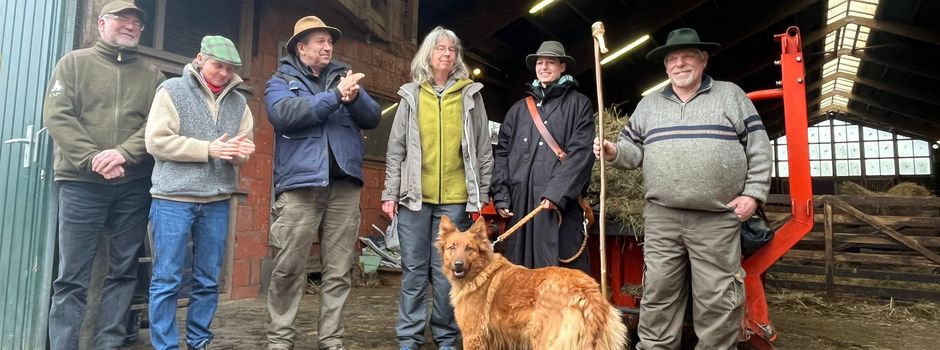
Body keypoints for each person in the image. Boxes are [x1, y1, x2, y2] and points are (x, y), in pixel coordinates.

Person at [594, 28, 772, 349]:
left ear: (703, 60)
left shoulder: (730, 95)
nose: (679, 64)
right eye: (672, 59)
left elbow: (759, 147)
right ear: (665, 67)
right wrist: (614, 152)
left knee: (717, 296)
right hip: (663, 216)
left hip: (717, 216)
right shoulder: (649, 105)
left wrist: (753, 194)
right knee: (658, 292)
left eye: (687, 56)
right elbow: (632, 151)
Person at [43, 1, 165, 348]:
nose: (130, 26)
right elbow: (57, 115)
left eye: (136, 23)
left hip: (132, 184)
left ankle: (107, 344)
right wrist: (92, 157)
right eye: (122, 19)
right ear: (101, 24)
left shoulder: (152, 75)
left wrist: (123, 154)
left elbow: (155, 125)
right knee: (71, 277)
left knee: (123, 271)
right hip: (81, 184)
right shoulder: (73, 64)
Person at [264, 15, 380, 350]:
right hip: (300, 188)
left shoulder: (345, 78)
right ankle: (280, 340)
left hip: (343, 186)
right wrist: (334, 97)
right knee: (287, 268)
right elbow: (284, 114)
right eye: (320, 41)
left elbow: (372, 118)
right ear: (301, 47)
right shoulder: (280, 80)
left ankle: (331, 340)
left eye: (330, 42)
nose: (327, 46)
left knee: (339, 271)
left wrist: (354, 96)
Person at [381, 26, 493, 350]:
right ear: (428, 55)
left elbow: (484, 151)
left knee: (450, 273)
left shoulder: (471, 97)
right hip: (415, 198)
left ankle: (446, 338)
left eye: (452, 49)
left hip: (456, 198)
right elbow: (395, 149)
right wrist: (390, 192)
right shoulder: (411, 95)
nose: (446, 54)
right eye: (440, 48)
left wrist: (479, 196)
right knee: (414, 272)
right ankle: (409, 338)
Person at [144, 35, 255, 350]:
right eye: (217, 65)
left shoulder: (239, 102)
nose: (222, 72)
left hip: (217, 199)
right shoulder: (172, 91)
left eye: (229, 68)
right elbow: (156, 141)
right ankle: (165, 345)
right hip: (172, 198)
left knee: (208, 279)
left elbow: (244, 149)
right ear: (200, 59)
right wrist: (209, 149)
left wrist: (238, 152)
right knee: (167, 279)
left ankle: (199, 341)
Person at [490, 40, 596, 272]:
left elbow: (581, 154)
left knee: (560, 279)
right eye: (540, 62)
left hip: (558, 207)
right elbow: (502, 154)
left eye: (551, 62)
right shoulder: (518, 109)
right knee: (520, 277)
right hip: (521, 206)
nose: (544, 67)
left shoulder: (580, 105)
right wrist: (501, 195)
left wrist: (556, 194)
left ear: (562, 67)